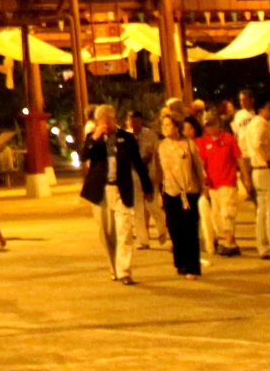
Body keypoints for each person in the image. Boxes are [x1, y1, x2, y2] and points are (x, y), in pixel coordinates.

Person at [80, 104, 152, 284]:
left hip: (121, 189)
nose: (106, 123)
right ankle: (113, 267)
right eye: (102, 120)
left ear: (115, 119)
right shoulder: (93, 138)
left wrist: (147, 187)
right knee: (107, 233)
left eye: (109, 119)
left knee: (124, 231)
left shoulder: (126, 139)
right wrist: (96, 137)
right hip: (101, 191)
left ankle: (124, 271)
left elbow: (138, 163)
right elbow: (83, 156)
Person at [156, 112, 204, 279]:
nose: (166, 128)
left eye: (169, 125)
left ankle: (192, 266)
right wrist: (158, 192)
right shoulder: (161, 146)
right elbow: (159, 171)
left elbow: (198, 167)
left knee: (190, 229)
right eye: (164, 125)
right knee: (175, 229)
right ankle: (181, 261)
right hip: (170, 192)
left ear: (177, 126)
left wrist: (202, 188)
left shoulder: (188, 144)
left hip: (188, 191)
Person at [195, 113, 242, 255]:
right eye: (207, 126)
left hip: (228, 181)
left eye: (211, 125)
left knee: (227, 212)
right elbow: (202, 163)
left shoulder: (228, 139)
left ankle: (230, 240)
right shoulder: (204, 142)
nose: (209, 128)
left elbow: (238, 157)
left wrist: (245, 177)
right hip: (213, 184)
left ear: (218, 125)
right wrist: (203, 183)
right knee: (217, 215)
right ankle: (227, 241)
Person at [239, 96, 270, 251]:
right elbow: (257, 144)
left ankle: (263, 246)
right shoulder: (262, 124)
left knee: (262, 211)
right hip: (265, 168)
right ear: (263, 109)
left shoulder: (251, 124)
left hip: (256, 169)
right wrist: (267, 158)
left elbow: (244, 145)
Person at [127, 110, 165, 247]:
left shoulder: (150, 135)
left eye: (137, 121)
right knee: (137, 209)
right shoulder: (127, 136)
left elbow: (156, 152)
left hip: (149, 173)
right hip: (134, 174)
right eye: (132, 121)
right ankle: (143, 239)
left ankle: (162, 230)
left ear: (141, 121)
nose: (134, 124)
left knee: (153, 204)